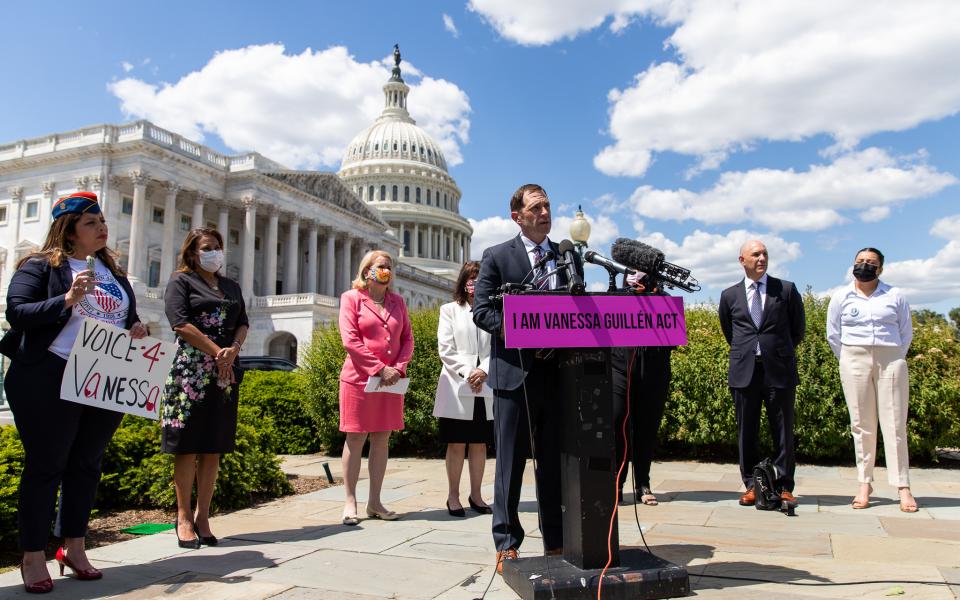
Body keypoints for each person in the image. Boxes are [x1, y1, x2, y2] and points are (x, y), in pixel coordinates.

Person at [1, 191, 147, 593]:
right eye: (91, 223)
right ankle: (33, 556)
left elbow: (125, 318)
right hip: (49, 375)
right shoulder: (40, 266)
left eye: (102, 221)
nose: (102, 228)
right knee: (46, 465)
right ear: (68, 230)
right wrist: (67, 299)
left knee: (87, 464)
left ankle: (74, 547)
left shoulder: (112, 272)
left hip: (101, 379)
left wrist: (136, 328)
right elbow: (17, 312)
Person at [473, 183, 583, 573]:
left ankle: (556, 540)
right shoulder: (497, 256)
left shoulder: (567, 256)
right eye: (535, 208)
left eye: (547, 206)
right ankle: (506, 541)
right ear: (517, 216)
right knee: (510, 464)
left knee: (553, 463)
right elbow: (481, 310)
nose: (544, 213)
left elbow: (579, 308)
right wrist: (519, 330)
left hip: (557, 375)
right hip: (514, 374)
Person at [162, 228, 248, 549]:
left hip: (224, 373)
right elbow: (180, 323)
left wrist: (233, 350)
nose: (214, 252)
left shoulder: (231, 286)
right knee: (187, 446)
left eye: (217, 247)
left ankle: (203, 516)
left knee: (213, 446)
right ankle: (183, 516)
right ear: (192, 252)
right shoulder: (181, 281)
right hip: (190, 371)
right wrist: (217, 351)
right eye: (207, 247)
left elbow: (243, 321)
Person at [826, 248, 918, 512]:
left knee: (895, 424)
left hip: (890, 358)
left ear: (880, 268)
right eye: (860, 261)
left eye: (870, 262)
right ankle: (864, 483)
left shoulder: (894, 295)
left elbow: (906, 332)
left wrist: (892, 355)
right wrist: (849, 357)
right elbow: (833, 334)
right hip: (853, 357)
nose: (864, 265)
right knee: (861, 424)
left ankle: (902, 486)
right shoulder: (841, 296)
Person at [718, 240, 805, 507]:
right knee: (747, 431)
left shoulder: (786, 290)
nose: (762, 258)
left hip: (778, 370)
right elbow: (730, 332)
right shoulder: (729, 295)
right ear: (742, 260)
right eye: (755, 254)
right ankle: (753, 485)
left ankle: (784, 486)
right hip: (745, 370)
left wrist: (773, 350)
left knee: (783, 430)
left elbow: (797, 330)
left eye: (765, 253)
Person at [338, 250, 414, 525]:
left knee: (382, 439)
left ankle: (375, 502)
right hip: (360, 379)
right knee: (356, 438)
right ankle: (350, 502)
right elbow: (350, 340)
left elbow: (407, 339)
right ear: (366, 270)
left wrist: (399, 369)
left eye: (389, 266)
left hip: (391, 381)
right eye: (381, 266)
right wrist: (380, 368)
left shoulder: (398, 301)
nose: (386, 270)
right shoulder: (351, 298)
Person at [433, 261, 494, 517]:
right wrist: (469, 372)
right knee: (456, 443)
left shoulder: (493, 310)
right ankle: (453, 495)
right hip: (457, 383)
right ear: (463, 282)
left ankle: (476, 495)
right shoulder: (449, 310)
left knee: (479, 444)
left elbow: (498, 346)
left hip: (485, 384)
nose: (475, 284)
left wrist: (484, 370)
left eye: (480, 279)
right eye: (471, 279)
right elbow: (446, 348)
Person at [611, 272, 672, 506]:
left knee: (646, 428)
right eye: (631, 270)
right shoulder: (615, 296)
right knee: (618, 423)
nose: (636, 275)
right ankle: (616, 485)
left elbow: (671, 338)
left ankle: (643, 484)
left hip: (653, 370)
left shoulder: (663, 299)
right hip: (619, 369)